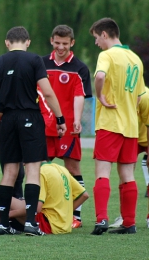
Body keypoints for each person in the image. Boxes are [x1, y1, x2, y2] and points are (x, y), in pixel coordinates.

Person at [0, 26, 66, 236]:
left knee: (9, 172)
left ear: (7, 43)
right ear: (28, 42)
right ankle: (31, 224)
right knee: (33, 170)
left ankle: (2, 224)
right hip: (30, 117)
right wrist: (60, 118)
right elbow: (48, 93)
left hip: (6, 120)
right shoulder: (35, 60)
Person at [89, 18, 146, 235]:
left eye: (96, 38)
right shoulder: (135, 59)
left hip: (110, 123)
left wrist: (100, 95)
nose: (96, 43)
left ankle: (101, 219)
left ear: (105, 34)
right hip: (131, 126)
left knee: (103, 171)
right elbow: (141, 96)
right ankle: (129, 223)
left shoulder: (107, 55)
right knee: (127, 174)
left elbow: (100, 75)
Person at [39, 25, 92, 228]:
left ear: (72, 43)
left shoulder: (80, 68)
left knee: (72, 168)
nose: (61, 47)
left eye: (65, 43)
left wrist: (77, 120)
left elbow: (79, 96)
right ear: (51, 40)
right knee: (41, 168)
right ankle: (40, 210)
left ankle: (75, 216)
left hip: (68, 127)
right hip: (44, 126)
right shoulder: (41, 64)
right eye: (57, 43)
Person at [109, 87, 149, 228]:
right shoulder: (121, 93)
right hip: (131, 136)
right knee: (125, 175)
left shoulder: (145, 95)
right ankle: (124, 217)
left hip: (144, 136)